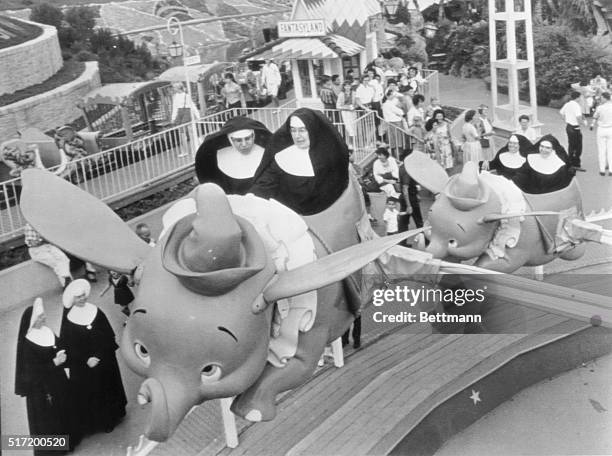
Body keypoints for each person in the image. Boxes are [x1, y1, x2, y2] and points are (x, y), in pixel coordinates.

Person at [250, 108, 349, 216]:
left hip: (329, 216)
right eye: (293, 130)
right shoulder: (283, 156)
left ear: (313, 130)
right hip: (293, 219)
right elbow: (265, 184)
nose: (297, 136)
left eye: (302, 130)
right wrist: (250, 200)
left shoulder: (330, 155)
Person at [60, 279, 127, 437]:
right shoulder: (69, 320)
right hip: (84, 367)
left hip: (104, 360)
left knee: (107, 388)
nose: (82, 299)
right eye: (78, 297)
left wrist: (98, 356)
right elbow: (69, 346)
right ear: (73, 300)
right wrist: (86, 360)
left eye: (83, 295)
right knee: (92, 392)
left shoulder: (96, 311)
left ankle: (113, 417)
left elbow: (108, 336)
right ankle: (99, 421)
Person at [15, 298, 77, 454]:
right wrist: (54, 362)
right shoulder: (28, 344)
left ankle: (70, 441)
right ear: (33, 321)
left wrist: (62, 351)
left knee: (64, 409)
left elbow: (59, 344)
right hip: (41, 390)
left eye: (43, 315)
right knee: (49, 418)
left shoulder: (47, 332)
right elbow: (32, 372)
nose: (44, 318)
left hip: (58, 381)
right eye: (40, 317)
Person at [195, 116, 272, 195]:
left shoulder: (267, 155)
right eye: (238, 140)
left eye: (247, 138)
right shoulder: (220, 158)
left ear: (253, 136)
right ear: (230, 140)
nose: (244, 144)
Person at [25, 223, 72, 289]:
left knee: (63, 258)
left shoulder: (42, 221)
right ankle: (67, 284)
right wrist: (45, 239)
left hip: (48, 246)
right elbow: (33, 243)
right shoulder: (30, 225)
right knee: (55, 263)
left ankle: (68, 281)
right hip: (37, 250)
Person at [560, 91, 585, 169]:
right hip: (575, 127)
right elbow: (578, 117)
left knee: (571, 145)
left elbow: (561, 113)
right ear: (577, 97)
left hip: (569, 126)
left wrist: (567, 120)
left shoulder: (567, 104)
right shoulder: (576, 105)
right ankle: (575, 164)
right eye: (580, 97)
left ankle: (570, 162)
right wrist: (582, 123)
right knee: (578, 146)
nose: (581, 98)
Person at [594, 91, 612, 176]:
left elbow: (595, 117)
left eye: (601, 98)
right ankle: (611, 169)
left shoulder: (600, 107)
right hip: (611, 129)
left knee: (601, 150)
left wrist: (592, 125)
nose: (600, 99)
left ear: (605, 98)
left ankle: (602, 169)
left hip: (601, 129)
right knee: (610, 150)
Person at [337, 81, 358, 148]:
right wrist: (346, 108)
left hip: (352, 111)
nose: (347, 87)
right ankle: (351, 144)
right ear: (344, 87)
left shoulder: (354, 93)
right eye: (346, 86)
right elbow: (338, 106)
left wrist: (354, 107)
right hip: (345, 112)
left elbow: (357, 103)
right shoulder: (341, 94)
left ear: (351, 86)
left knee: (354, 127)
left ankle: (354, 143)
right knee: (349, 127)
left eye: (349, 86)